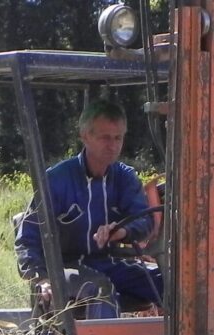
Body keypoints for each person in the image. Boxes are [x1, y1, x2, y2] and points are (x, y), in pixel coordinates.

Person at [14, 98, 163, 319]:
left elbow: (143, 220)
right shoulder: (57, 180)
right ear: (85, 136)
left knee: (171, 282)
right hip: (63, 269)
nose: (112, 145)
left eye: (117, 138)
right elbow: (28, 238)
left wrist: (121, 231)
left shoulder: (125, 177)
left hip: (106, 262)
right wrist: (42, 279)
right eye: (104, 138)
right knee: (100, 290)